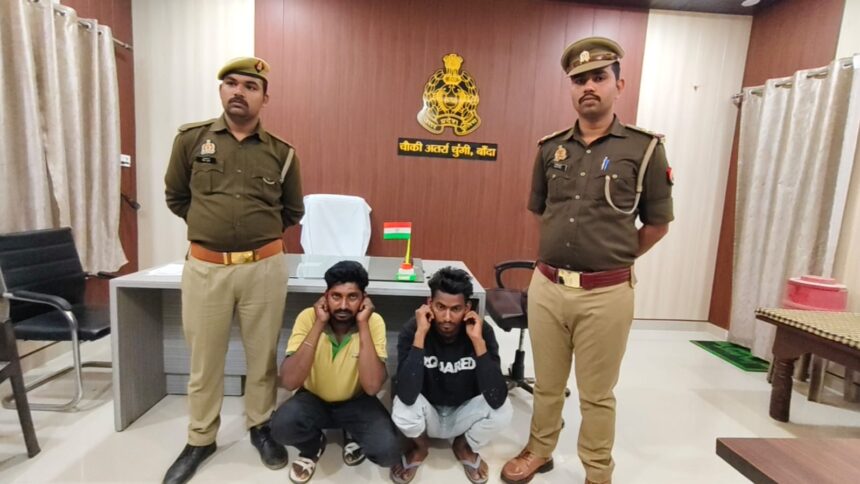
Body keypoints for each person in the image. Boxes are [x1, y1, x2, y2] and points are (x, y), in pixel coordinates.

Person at [501, 37, 674, 484]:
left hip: (606, 294)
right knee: (547, 384)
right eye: (579, 80)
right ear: (571, 89)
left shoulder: (645, 149)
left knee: (597, 393)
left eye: (599, 77)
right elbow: (540, 212)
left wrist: (613, 260)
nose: (588, 87)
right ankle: (539, 449)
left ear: (619, 84)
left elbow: (657, 224)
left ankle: (598, 470)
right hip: (548, 287)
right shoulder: (550, 148)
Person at [162, 56, 304, 484]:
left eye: (250, 86)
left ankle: (261, 426)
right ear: (221, 90)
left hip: (264, 269)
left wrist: (253, 236)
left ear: (265, 98)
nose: (239, 91)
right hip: (206, 269)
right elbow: (176, 197)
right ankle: (201, 438)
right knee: (205, 360)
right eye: (231, 83)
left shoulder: (282, 153)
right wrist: (214, 229)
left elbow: (292, 211)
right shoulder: (191, 140)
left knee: (262, 356)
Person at [270, 260, 401, 483]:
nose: (343, 305)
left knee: (388, 452)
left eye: (352, 297)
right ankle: (313, 446)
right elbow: (290, 382)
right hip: (313, 399)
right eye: (336, 296)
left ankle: (351, 431)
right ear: (325, 296)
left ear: (364, 299)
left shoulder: (373, 321)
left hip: (357, 400)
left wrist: (363, 325)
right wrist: (319, 324)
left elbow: (372, 387)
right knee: (280, 427)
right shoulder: (308, 317)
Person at [390, 267, 511, 484]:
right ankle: (420, 447)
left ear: (467, 308)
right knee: (401, 409)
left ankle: (463, 445)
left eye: (455, 309)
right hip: (428, 413)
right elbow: (406, 394)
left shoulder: (482, 331)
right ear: (429, 304)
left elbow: (496, 397)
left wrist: (478, 342)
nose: (447, 317)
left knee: (503, 411)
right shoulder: (413, 329)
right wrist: (420, 335)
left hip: (463, 412)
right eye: (440, 307)